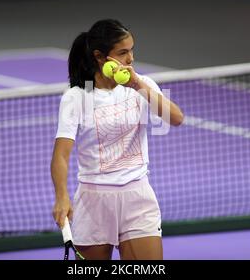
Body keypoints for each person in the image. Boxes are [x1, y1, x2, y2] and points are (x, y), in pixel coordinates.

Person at [51, 19, 184, 260]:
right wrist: (62, 196)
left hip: (137, 197)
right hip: (94, 202)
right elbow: (61, 154)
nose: (130, 59)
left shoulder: (142, 86)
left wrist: (138, 85)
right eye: (122, 53)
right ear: (100, 57)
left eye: (132, 50)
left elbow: (176, 118)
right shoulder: (77, 97)